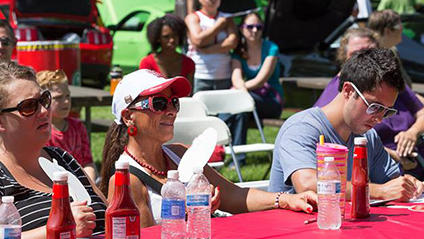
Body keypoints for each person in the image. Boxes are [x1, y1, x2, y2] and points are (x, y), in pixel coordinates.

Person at [100, 69, 318, 228]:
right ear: (129, 117)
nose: (171, 111)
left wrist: (285, 199)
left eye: (174, 102)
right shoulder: (125, 180)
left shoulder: (179, 154)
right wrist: (189, 214)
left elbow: (234, 195)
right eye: (158, 103)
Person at [0, 62, 105, 239]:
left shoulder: (62, 159)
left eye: (44, 100)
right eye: (28, 107)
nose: (44, 111)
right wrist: (57, 227)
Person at [270, 48, 424, 201]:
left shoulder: (368, 136)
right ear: (348, 91)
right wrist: (379, 191)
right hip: (296, 227)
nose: (380, 119)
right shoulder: (301, 128)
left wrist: (407, 185)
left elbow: (391, 182)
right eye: (375, 107)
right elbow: (308, 185)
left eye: (386, 111)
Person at [314, 28, 424, 180]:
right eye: (357, 53)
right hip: (381, 167)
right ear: (344, 56)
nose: (380, 118)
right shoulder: (341, 94)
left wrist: (411, 133)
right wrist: (395, 155)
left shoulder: (389, 83)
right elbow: (339, 139)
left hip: (419, 165)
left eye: (369, 52)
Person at [228, 12, 283, 159]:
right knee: (241, 111)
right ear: (241, 29)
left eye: (258, 27)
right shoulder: (238, 51)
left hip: (271, 100)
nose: (254, 30)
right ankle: (238, 159)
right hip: (248, 99)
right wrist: (241, 90)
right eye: (250, 26)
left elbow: (261, 79)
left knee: (240, 104)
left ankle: (218, 135)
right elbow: (236, 77)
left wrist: (240, 91)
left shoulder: (271, 48)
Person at [368, 9, 424, 109]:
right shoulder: (374, 58)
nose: (402, 29)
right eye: (399, 27)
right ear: (387, 31)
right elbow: (404, 93)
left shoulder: (392, 51)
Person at [36, 69, 98, 181]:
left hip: (82, 182)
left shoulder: (78, 127)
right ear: (44, 100)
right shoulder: (42, 131)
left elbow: (88, 163)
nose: (66, 102)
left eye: (68, 96)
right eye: (58, 98)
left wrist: (90, 185)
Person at [185, 0, 238, 93]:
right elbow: (198, 40)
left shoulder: (227, 18)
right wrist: (218, 26)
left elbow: (232, 42)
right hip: (200, 74)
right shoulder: (193, 17)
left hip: (223, 74)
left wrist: (207, 50)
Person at [139, 14, 195, 86]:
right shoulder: (147, 63)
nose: (172, 40)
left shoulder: (188, 63)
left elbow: (189, 92)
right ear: (158, 39)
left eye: (175, 35)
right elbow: (145, 89)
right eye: (166, 37)